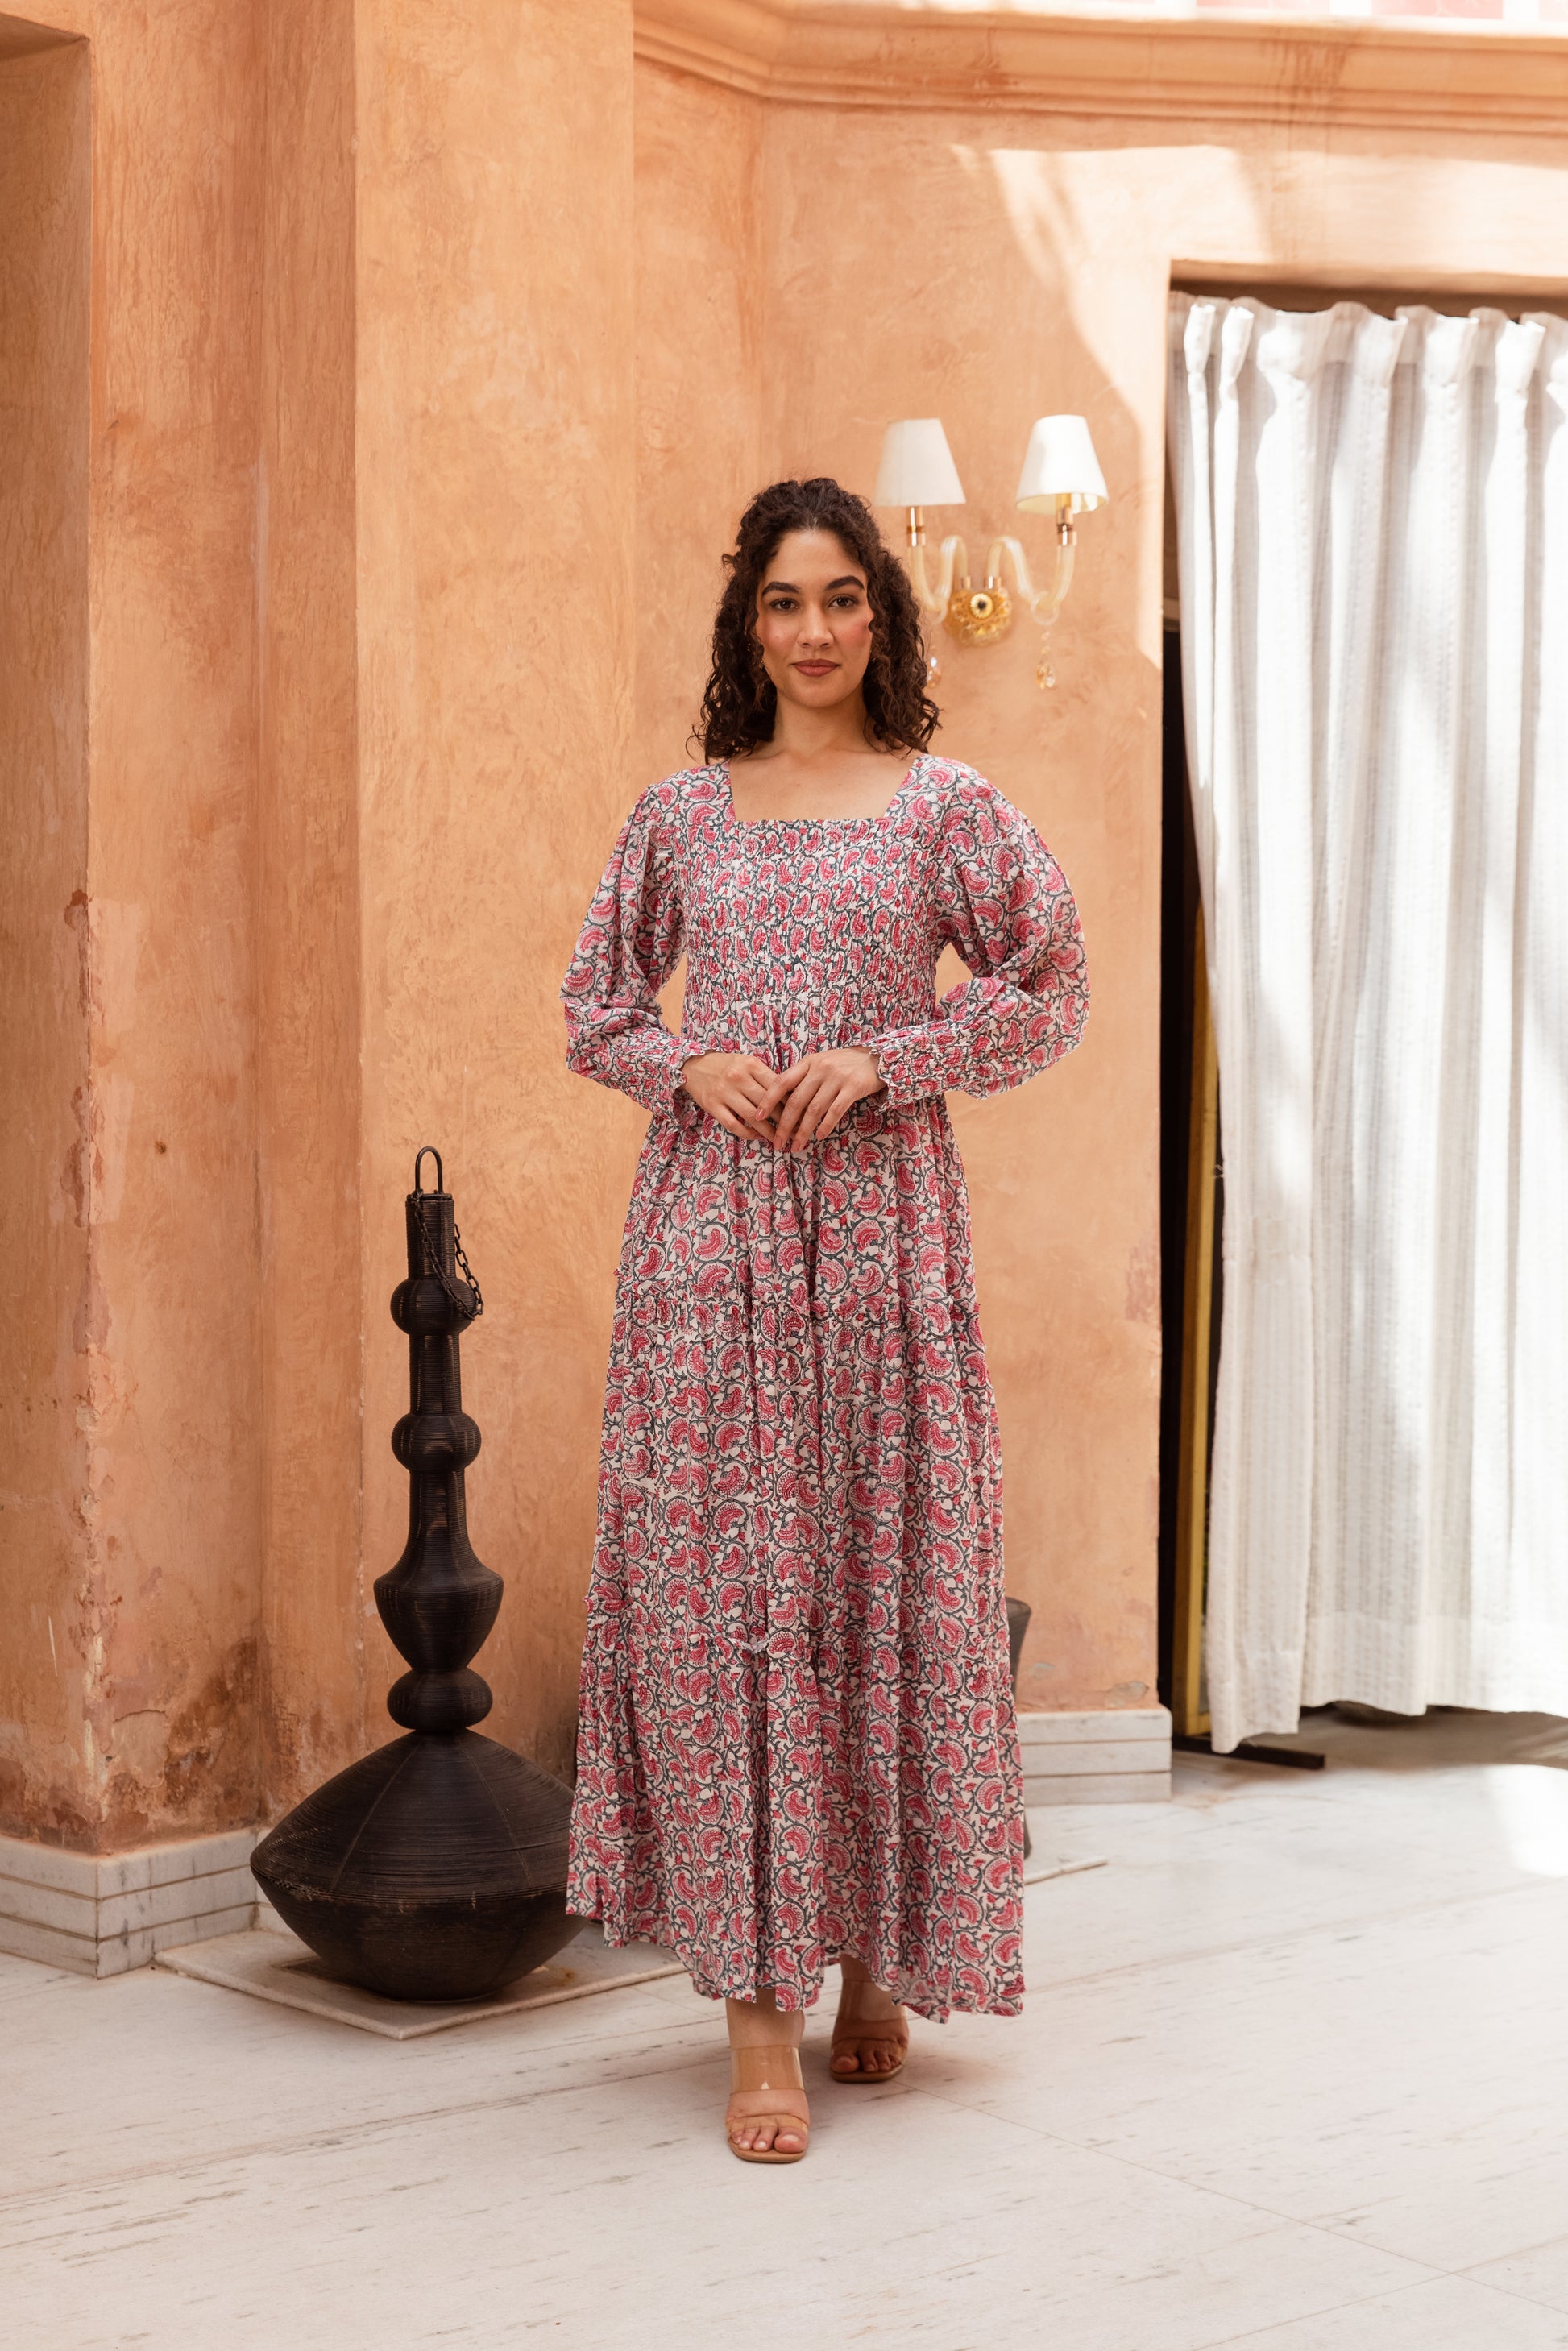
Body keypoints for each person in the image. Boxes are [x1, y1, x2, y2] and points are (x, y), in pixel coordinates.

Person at [561, 476, 1089, 2164]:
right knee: (732, 1601)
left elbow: (1053, 983)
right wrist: (686, 1061)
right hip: (709, 1248)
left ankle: (875, 1966)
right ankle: (755, 2026)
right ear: (747, 620)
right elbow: (591, 1008)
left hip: (882, 1248)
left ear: (882, 613)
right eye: (783, 601)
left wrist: (892, 1057)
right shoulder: (679, 816)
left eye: (841, 598)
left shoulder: (946, 807)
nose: (812, 630)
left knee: (878, 1579)